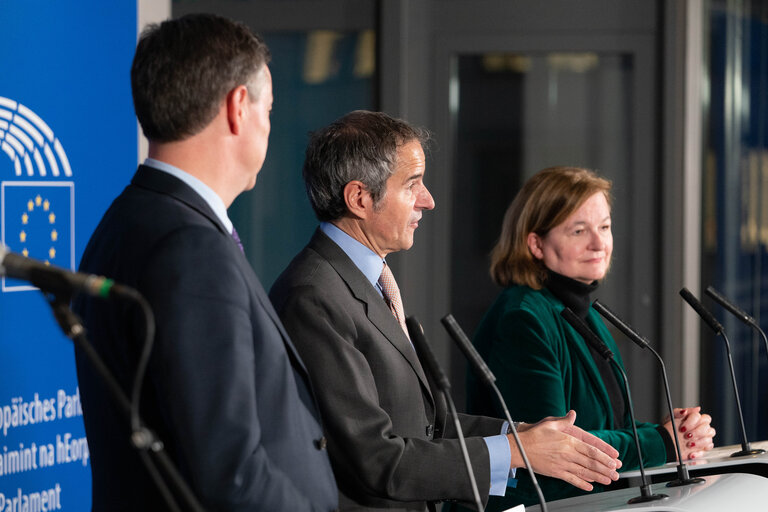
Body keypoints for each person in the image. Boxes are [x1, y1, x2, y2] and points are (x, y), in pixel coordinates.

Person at [269, 111, 623, 511]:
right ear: (360, 198)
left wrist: (520, 433)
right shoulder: (314, 295)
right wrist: (513, 451)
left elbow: (422, 423)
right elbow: (376, 459)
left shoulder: (365, 278)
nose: (429, 200)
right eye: (413, 184)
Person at [73, 14, 338, 511]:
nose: (269, 126)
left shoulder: (129, 219)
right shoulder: (190, 246)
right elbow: (231, 474)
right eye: (270, 110)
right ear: (239, 107)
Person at [466, 166, 716, 509]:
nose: (599, 243)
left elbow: (611, 426)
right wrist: (661, 443)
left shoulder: (584, 311)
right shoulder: (522, 318)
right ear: (537, 244)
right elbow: (555, 448)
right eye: (579, 230)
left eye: (605, 227)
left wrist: (678, 433)